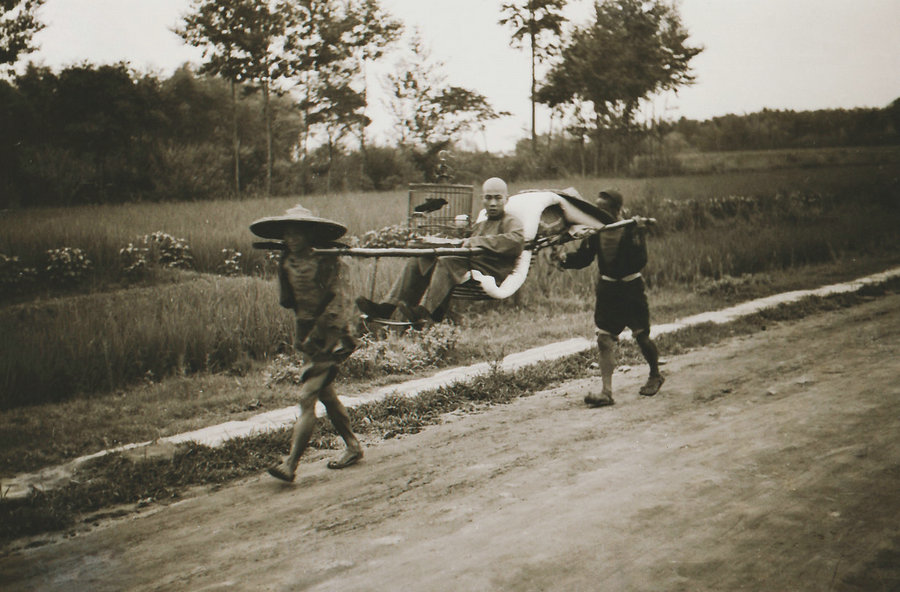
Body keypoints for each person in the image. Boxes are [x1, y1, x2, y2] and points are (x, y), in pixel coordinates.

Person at [249, 205, 363, 482]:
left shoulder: (327, 261)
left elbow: (339, 301)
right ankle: (353, 446)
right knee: (327, 394)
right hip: (308, 334)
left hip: (330, 332)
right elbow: (288, 301)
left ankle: (291, 464)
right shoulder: (287, 262)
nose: (292, 239)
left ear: (311, 234)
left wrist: (330, 338)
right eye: (287, 234)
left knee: (307, 397)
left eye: (298, 233)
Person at [357, 177, 525, 326]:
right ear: (482, 199)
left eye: (497, 198)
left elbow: (516, 241)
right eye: (488, 198)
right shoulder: (481, 224)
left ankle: (425, 312)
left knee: (446, 260)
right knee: (419, 259)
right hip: (468, 262)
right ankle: (387, 307)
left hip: (492, 268)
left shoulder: (511, 221)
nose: (493, 203)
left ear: (506, 199)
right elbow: (464, 238)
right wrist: (445, 237)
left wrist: (473, 241)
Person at [556, 189, 664, 407]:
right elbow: (585, 257)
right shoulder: (596, 232)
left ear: (618, 211)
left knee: (642, 337)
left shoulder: (631, 229)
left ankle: (655, 374)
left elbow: (639, 261)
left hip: (631, 288)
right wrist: (564, 259)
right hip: (608, 290)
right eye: (598, 210)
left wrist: (638, 234)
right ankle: (606, 392)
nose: (600, 214)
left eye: (605, 210)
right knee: (604, 339)